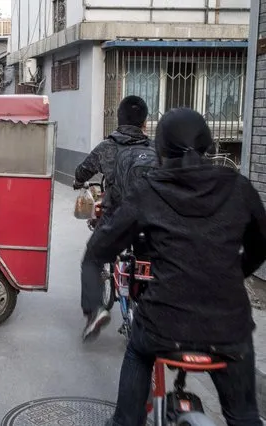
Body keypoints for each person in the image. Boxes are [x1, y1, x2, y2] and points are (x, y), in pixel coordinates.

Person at [83, 108, 266, 425]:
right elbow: (262, 245)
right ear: (208, 144)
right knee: (245, 417)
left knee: (138, 353)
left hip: (163, 325)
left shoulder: (148, 191)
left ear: (161, 149)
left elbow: (98, 251)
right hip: (229, 328)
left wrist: (93, 304)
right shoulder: (239, 187)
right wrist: (234, 274)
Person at [73, 95, 157, 342]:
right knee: (149, 262)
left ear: (118, 120)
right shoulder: (154, 149)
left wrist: (79, 181)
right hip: (151, 221)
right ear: (145, 123)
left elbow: (81, 171)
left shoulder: (107, 147)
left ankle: (96, 310)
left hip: (117, 221)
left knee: (92, 258)